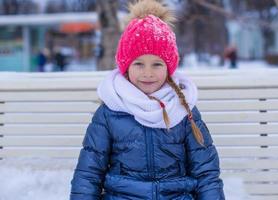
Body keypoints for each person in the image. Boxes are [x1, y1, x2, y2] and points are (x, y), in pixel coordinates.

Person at [70, 0, 225, 199]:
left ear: (169, 67)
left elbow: (206, 173)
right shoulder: (110, 112)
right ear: (126, 66)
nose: (148, 73)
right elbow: (89, 173)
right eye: (139, 64)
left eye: (157, 64)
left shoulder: (182, 109)